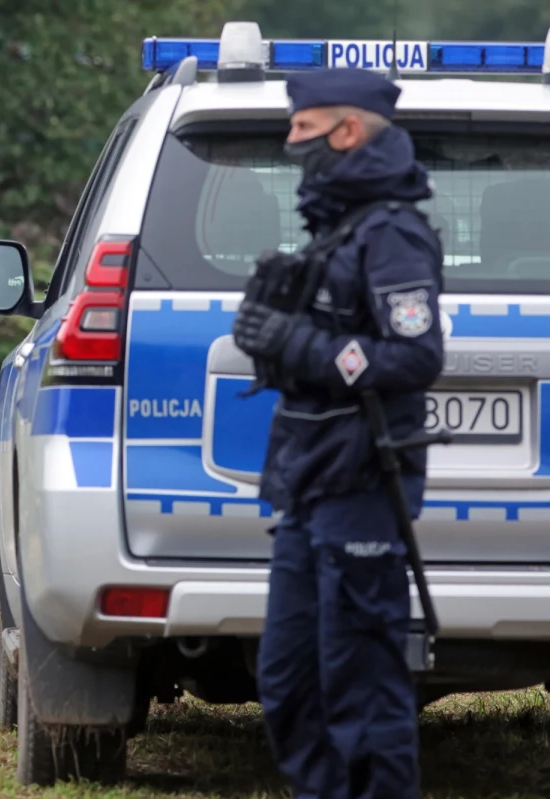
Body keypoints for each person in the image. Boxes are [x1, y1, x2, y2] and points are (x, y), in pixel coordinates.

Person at [232, 68, 444, 799]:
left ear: (348, 131)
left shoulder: (393, 233)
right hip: (310, 480)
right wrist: (276, 329)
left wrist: (298, 344)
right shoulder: (338, 229)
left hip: (361, 484)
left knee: (361, 686)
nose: (291, 141)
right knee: (288, 680)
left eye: (303, 127)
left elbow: (415, 357)